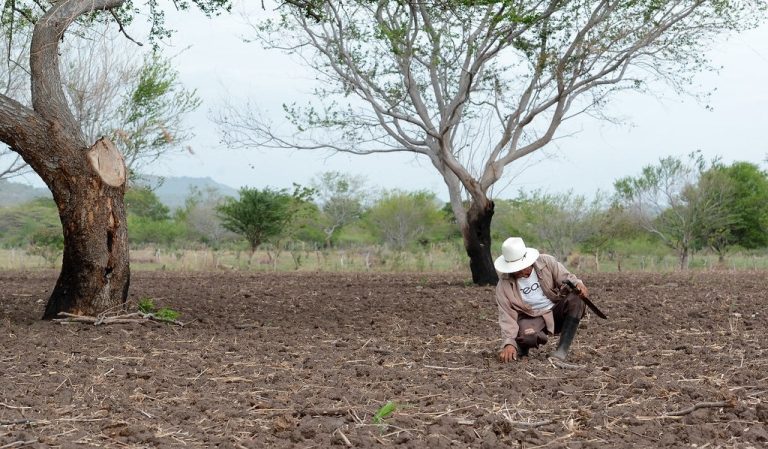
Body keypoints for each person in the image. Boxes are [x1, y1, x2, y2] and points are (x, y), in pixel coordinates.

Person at [493, 237, 588, 363]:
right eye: (516, 269)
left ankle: (561, 350)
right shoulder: (504, 285)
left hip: (555, 311)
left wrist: (578, 285)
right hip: (530, 317)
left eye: (523, 266)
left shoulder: (546, 262)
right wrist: (509, 342)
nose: (522, 271)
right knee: (528, 336)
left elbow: (567, 278)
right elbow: (507, 316)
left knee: (576, 299)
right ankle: (521, 347)